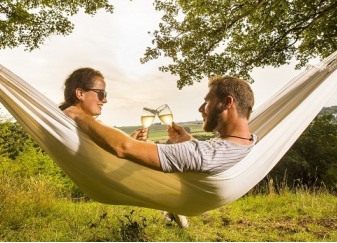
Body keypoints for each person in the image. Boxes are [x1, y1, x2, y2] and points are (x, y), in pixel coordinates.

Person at [63, 75, 258, 225]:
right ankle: (173, 210)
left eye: (207, 101)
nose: (201, 108)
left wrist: (78, 115)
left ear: (227, 103)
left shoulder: (201, 154)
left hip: (191, 189)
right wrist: (188, 140)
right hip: (199, 179)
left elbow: (123, 148)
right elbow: (211, 152)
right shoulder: (252, 141)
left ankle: (172, 208)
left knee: (135, 162)